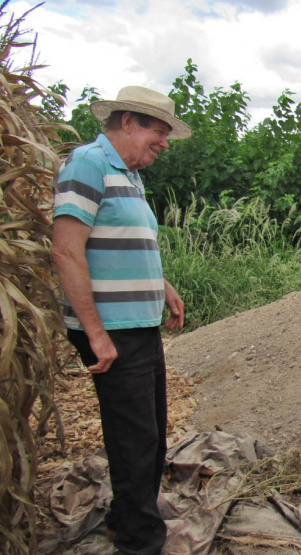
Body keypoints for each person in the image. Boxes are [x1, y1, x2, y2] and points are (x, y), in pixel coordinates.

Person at [51, 85, 193, 554]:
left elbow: (123, 242)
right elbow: (66, 251)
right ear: (128, 121)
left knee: (149, 434)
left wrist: (162, 285)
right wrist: (96, 333)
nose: (165, 143)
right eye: (159, 132)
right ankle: (139, 542)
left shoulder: (129, 175)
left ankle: (125, 517)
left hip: (138, 323)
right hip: (113, 328)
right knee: (134, 441)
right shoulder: (88, 164)